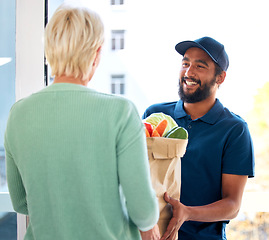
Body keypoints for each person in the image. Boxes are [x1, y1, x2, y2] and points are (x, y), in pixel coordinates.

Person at [4, 3, 159, 240]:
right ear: (96, 53)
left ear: (50, 49)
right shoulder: (121, 112)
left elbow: (22, 202)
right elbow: (142, 209)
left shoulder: (18, 114)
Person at [142, 36, 255, 240]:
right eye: (185, 63)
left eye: (200, 66)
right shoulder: (155, 115)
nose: (188, 72)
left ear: (220, 78)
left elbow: (232, 205)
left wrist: (187, 213)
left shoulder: (235, 129)